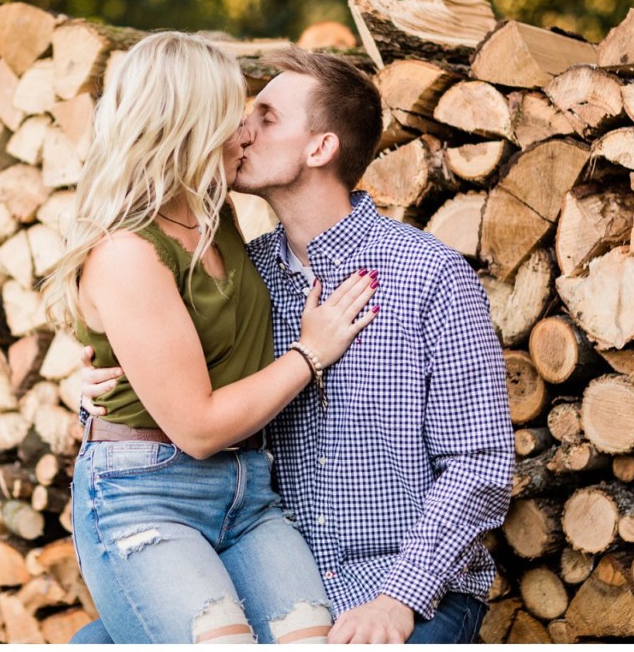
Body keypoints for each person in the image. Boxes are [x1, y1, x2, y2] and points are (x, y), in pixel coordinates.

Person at [74, 46, 514, 644]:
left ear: (320, 148)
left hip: (401, 587)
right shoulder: (247, 278)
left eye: (267, 117)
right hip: (272, 579)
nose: (241, 132)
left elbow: (480, 463)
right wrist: (95, 383)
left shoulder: (428, 275)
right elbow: (179, 390)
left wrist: (398, 598)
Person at [41, 31, 381, 644]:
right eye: (236, 117)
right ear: (189, 128)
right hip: (145, 492)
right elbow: (196, 427)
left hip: (245, 491)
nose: (248, 131)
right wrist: (311, 352)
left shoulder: (212, 208)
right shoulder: (126, 252)